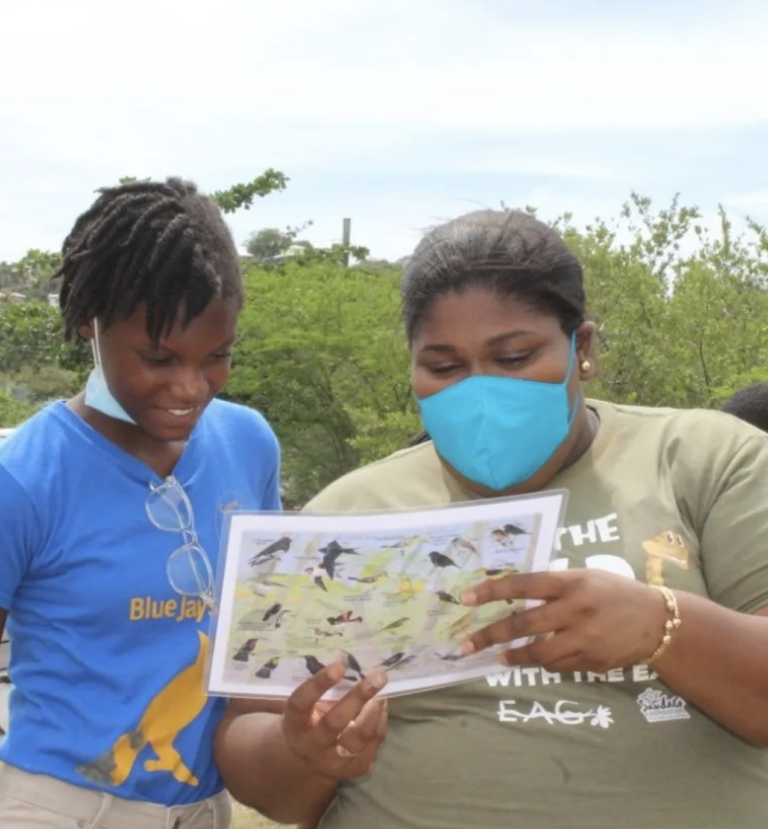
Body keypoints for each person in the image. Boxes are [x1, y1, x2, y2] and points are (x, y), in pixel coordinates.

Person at [215, 209, 768, 829]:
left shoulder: (708, 460)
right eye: (444, 367)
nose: (480, 392)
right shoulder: (349, 517)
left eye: (514, 357)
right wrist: (304, 750)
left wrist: (662, 626)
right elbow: (264, 770)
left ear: (582, 348)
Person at [0, 178, 281, 828]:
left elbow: (261, 634)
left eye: (216, 357)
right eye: (158, 357)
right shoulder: (25, 478)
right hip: (58, 806)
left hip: (203, 805)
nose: (190, 387)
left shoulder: (249, 444)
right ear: (89, 322)